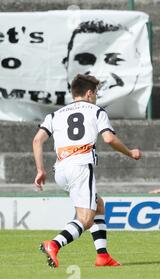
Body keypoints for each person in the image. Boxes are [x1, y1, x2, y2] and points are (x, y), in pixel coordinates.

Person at [33, 74, 142, 268]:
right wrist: (130, 152)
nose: (97, 96)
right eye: (97, 93)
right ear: (90, 93)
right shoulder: (96, 111)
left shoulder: (55, 114)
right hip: (81, 166)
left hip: (61, 170)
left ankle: (103, 256)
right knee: (85, 218)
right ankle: (54, 244)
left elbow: (37, 140)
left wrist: (40, 170)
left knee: (98, 205)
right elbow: (109, 139)